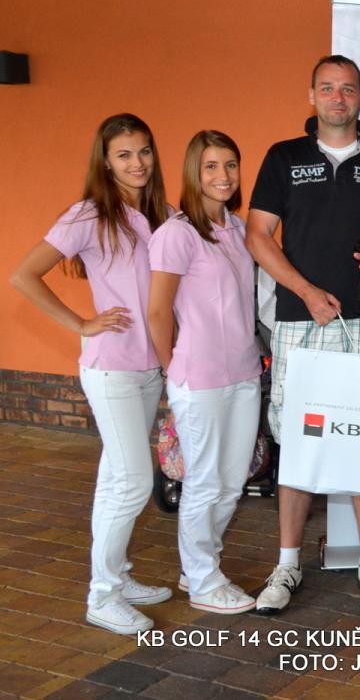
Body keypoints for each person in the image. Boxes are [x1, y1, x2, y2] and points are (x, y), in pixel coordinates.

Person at [246, 55, 360, 615]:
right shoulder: (283, 157)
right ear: (312, 96)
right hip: (300, 319)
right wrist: (307, 291)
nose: (338, 98)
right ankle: (287, 563)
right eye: (328, 88)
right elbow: (258, 236)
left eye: (348, 89)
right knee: (298, 441)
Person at [10, 113, 173, 635]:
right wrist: (82, 323)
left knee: (115, 477)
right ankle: (102, 597)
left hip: (149, 367)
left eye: (144, 151)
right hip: (112, 368)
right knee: (133, 480)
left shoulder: (161, 214)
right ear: (105, 161)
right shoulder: (88, 215)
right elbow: (23, 275)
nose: (137, 163)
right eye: (124, 154)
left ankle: (117, 576)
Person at [147, 131, 260, 615]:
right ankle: (202, 580)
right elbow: (157, 311)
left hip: (244, 373)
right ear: (194, 171)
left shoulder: (236, 228)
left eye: (230, 164)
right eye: (211, 166)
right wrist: (171, 370)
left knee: (232, 483)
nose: (223, 175)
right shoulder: (177, 233)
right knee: (205, 482)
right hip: (199, 377)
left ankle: (198, 564)